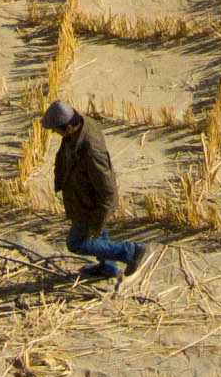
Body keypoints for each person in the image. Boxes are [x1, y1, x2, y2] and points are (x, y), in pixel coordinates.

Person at [40, 103, 145, 281]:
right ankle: (108, 267)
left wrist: (99, 218)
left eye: (57, 131)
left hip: (90, 204)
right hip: (83, 196)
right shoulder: (80, 126)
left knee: (77, 243)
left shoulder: (91, 150)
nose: (55, 134)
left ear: (69, 128)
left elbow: (107, 188)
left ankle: (130, 252)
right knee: (98, 234)